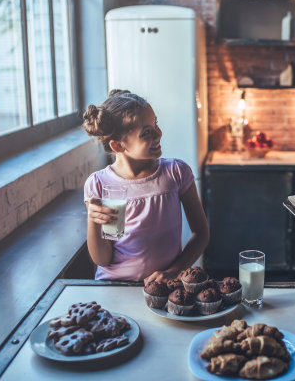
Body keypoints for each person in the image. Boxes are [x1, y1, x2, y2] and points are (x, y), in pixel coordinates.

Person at [82, 90, 209, 284]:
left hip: (164, 286)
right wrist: (93, 220)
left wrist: (174, 271)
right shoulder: (101, 185)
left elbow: (201, 234)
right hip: (113, 285)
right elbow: (102, 259)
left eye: (155, 124)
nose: (159, 134)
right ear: (118, 146)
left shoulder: (175, 173)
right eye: (147, 132)